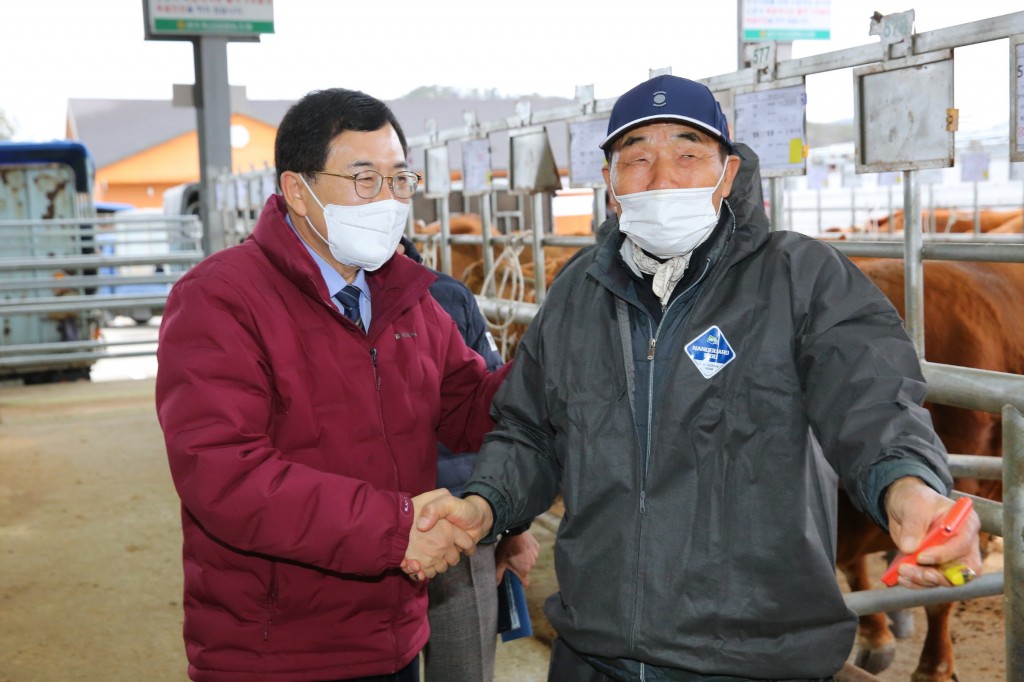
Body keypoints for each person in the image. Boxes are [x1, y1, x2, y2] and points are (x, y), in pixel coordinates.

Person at [411, 75, 982, 681]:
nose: (662, 179)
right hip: (593, 653)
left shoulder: (800, 277)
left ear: (728, 174)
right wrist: (486, 501)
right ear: (610, 184)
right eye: (637, 159)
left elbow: (874, 403)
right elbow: (527, 429)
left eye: (688, 155)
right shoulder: (579, 292)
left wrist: (908, 486)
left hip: (757, 658)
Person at [155, 88, 510, 682]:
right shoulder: (220, 299)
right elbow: (225, 473)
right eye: (363, 178)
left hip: (392, 636)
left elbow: (470, 404)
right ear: (298, 191)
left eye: (400, 179)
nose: (388, 199)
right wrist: (395, 531)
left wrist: (559, 368)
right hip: (278, 650)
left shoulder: (404, 299)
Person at [397, 236, 540, 682]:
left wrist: (511, 524)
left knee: (463, 665)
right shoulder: (310, 301)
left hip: (459, 520)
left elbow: (491, 409)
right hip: (369, 524)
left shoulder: (446, 295)